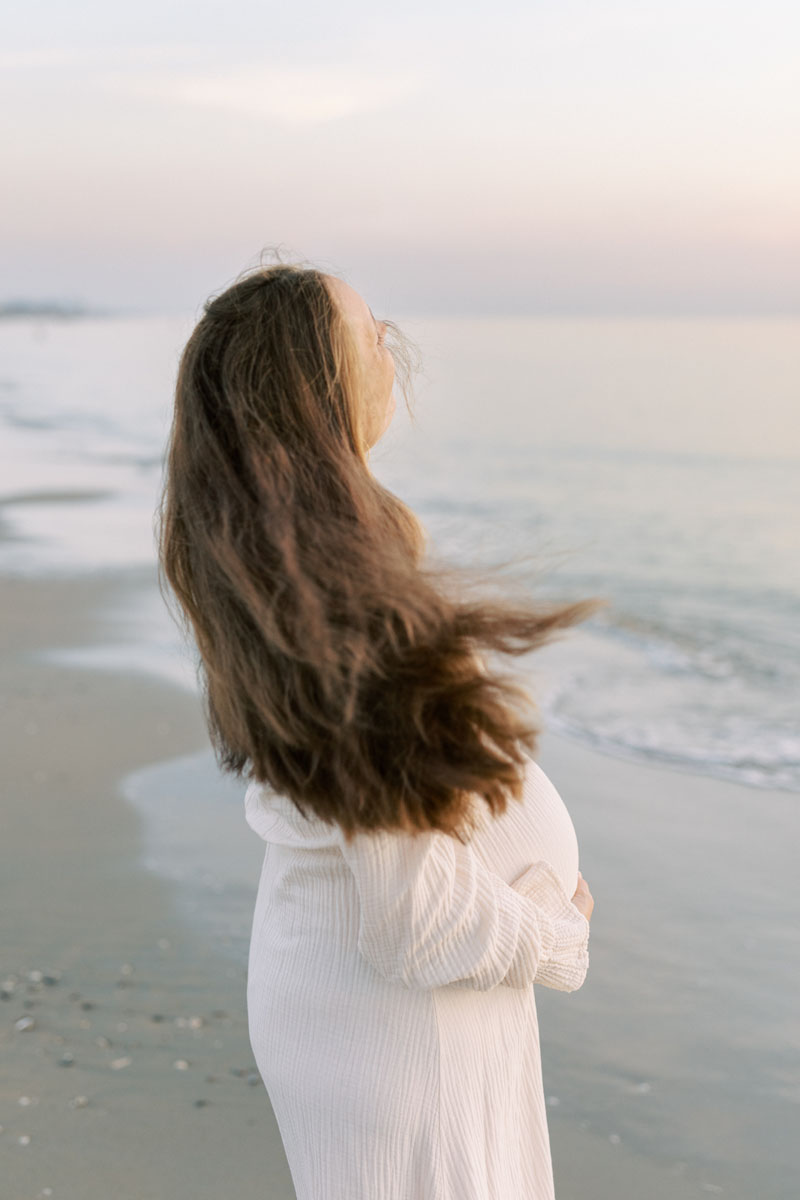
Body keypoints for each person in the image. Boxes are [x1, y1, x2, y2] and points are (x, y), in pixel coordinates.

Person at [156, 257, 602, 1199]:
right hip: (402, 1026)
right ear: (311, 384)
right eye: (370, 334)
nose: (394, 349)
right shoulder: (330, 589)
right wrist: (553, 936)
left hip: (392, 1010)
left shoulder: (300, 558)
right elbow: (413, 914)